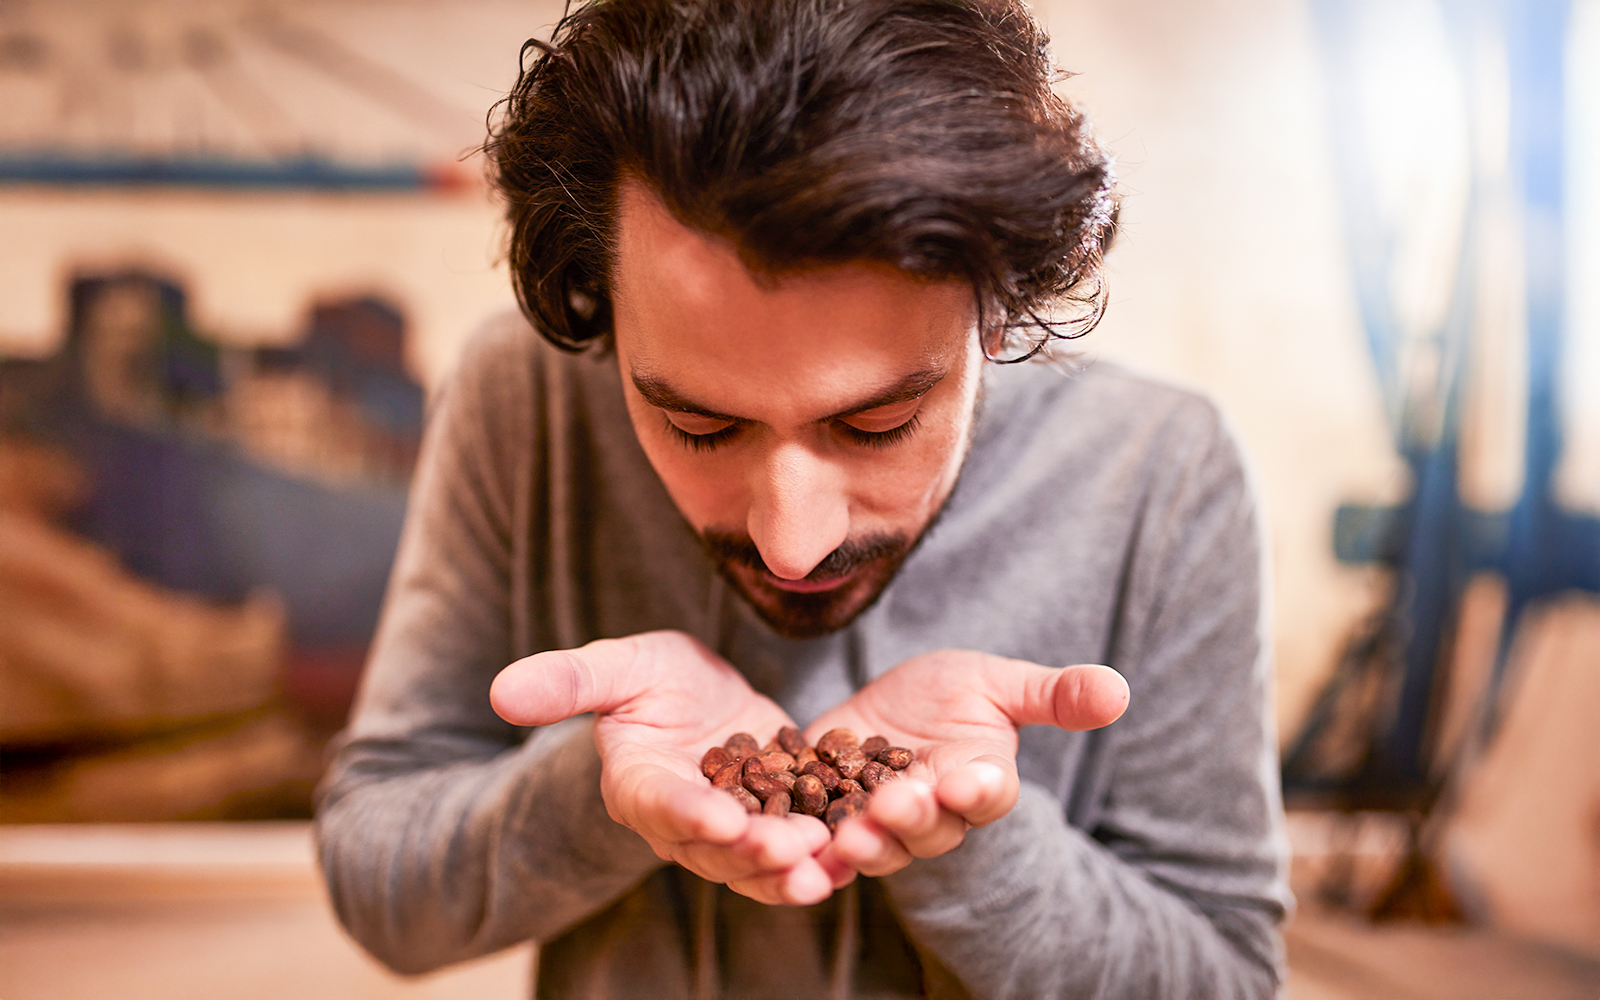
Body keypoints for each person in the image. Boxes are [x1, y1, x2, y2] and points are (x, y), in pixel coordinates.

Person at [314, 1, 1292, 997]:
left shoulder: (1162, 468)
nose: (791, 544)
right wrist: (603, 788)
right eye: (699, 426)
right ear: (602, 310)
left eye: (874, 425)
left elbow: (1225, 978)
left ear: (996, 311)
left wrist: (968, 832)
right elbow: (378, 881)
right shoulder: (519, 397)